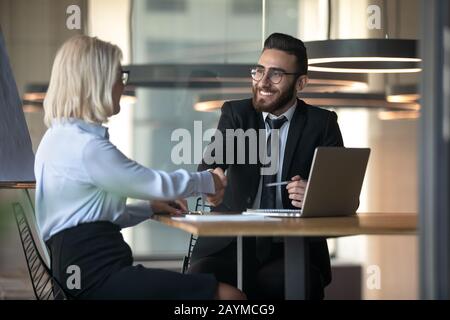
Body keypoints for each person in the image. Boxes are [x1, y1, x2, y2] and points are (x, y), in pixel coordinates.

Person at [35, 35, 245, 300]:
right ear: (97, 81)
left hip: (79, 276)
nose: (123, 85)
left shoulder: (56, 138)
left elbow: (95, 220)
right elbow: (155, 183)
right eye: (119, 75)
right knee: (230, 297)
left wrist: (149, 208)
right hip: (99, 278)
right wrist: (209, 180)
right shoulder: (87, 148)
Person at [188, 33, 344, 299]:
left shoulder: (322, 123)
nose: (263, 82)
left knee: (295, 283)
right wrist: (213, 178)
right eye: (259, 71)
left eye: (276, 74)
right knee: (200, 283)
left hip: (291, 247)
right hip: (229, 245)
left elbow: (342, 194)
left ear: (301, 82)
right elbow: (210, 167)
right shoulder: (237, 114)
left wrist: (315, 195)